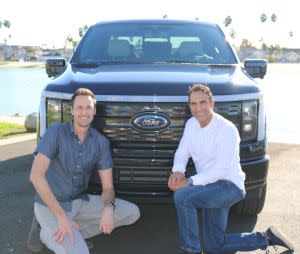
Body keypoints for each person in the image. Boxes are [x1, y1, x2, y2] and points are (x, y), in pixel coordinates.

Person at [168, 84, 294, 254]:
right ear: (189, 105)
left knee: (183, 196)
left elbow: (221, 169)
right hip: (208, 187)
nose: (198, 108)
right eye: (193, 104)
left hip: (229, 187)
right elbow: (182, 152)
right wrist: (178, 171)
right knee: (215, 245)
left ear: (212, 103)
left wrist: (189, 182)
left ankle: (192, 250)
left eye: (203, 102)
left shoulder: (226, 129)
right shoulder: (191, 124)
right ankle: (266, 237)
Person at [27, 88, 140, 254]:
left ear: (94, 111)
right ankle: (49, 231)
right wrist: (61, 217)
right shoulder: (55, 133)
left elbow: (108, 188)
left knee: (132, 213)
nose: (84, 112)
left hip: (79, 203)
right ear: (72, 110)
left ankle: (63, 234)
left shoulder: (100, 142)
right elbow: (35, 176)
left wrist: (109, 207)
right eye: (79, 108)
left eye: (88, 107)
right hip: (50, 206)